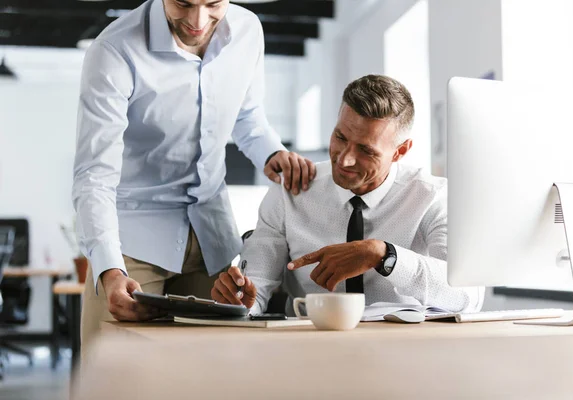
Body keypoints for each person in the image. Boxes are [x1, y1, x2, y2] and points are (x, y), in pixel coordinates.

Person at [72, 0, 315, 354]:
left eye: (213, 3)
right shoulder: (114, 51)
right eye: (183, 3)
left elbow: (247, 115)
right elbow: (94, 175)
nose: (197, 21)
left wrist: (272, 153)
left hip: (211, 238)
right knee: (115, 373)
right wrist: (109, 269)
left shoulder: (247, 31)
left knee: (209, 373)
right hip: (132, 244)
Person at [212, 74, 483, 314]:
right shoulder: (290, 192)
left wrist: (383, 255)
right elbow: (255, 288)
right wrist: (240, 300)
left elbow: (467, 295)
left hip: (405, 347)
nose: (345, 160)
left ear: (400, 151)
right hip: (309, 346)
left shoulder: (432, 197)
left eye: (366, 150)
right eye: (340, 137)